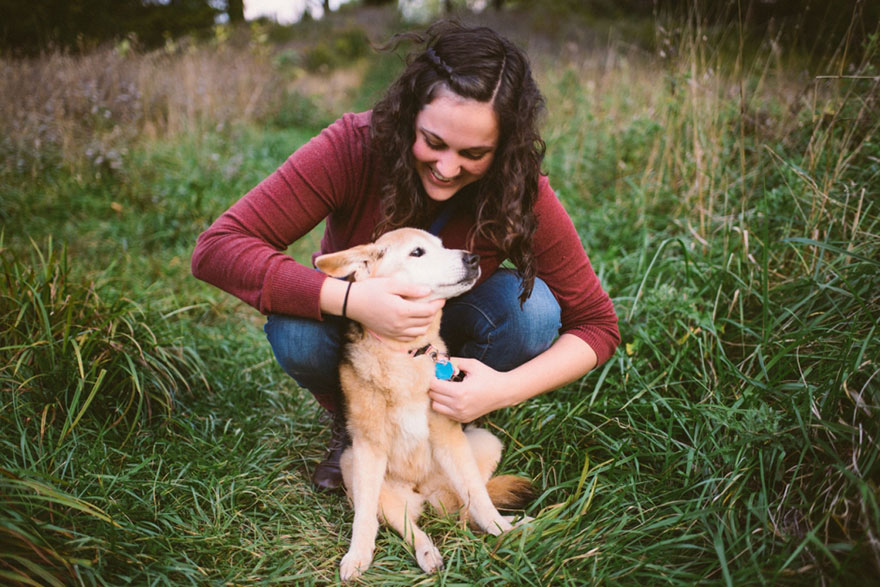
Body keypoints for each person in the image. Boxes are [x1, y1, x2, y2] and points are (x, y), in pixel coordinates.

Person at [192, 20, 620, 491]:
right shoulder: (353, 148)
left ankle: (449, 418)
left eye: (474, 153)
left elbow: (598, 324)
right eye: (433, 142)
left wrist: (503, 389)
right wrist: (356, 302)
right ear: (409, 114)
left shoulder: (519, 189)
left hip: (448, 332)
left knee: (534, 312)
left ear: (504, 150)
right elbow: (218, 247)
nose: (447, 167)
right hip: (360, 337)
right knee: (296, 331)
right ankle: (357, 426)